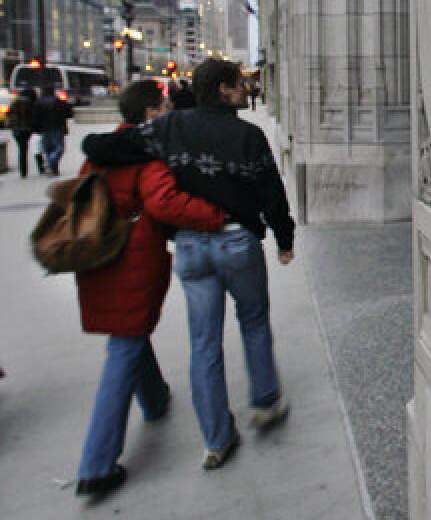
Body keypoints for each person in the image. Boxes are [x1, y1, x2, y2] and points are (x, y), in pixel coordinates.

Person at [82, 58, 296, 470]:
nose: (244, 91)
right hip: (237, 241)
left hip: (192, 248)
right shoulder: (247, 135)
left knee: (203, 342)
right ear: (222, 90)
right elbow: (271, 193)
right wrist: (284, 239)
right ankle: (265, 400)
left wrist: (98, 147)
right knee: (253, 320)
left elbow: (100, 147)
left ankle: (216, 439)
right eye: (238, 85)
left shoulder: (168, 129)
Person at [74, 80, 226, 499]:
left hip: (98, 259)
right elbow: (165, 204)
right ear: (149, 114)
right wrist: (216, 214)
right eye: (162, 106)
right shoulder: (147, 156)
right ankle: (96, 466)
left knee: (128, 332)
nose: (169, 112)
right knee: (124, 344)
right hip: (134, 260)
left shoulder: (101, 153)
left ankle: (154, 398)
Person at [34, 85, 73, 176]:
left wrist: (36, 128)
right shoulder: (59, 101)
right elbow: (69, 113)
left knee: (48, 149)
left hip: (44, 129)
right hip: (58, 128)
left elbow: (35, 117)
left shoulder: (38, 103)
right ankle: (52, 163)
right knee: (59, 148)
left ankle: (50, 165)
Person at [7, 87, 39, 178]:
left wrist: (13, 126)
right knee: (36, 147)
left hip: (17, 130)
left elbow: (9, 116)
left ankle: (23, 172)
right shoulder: (31, 103)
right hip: (27, 129)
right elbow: (34, 116)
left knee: (22, 150)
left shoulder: (14, 103)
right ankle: (40, 166)